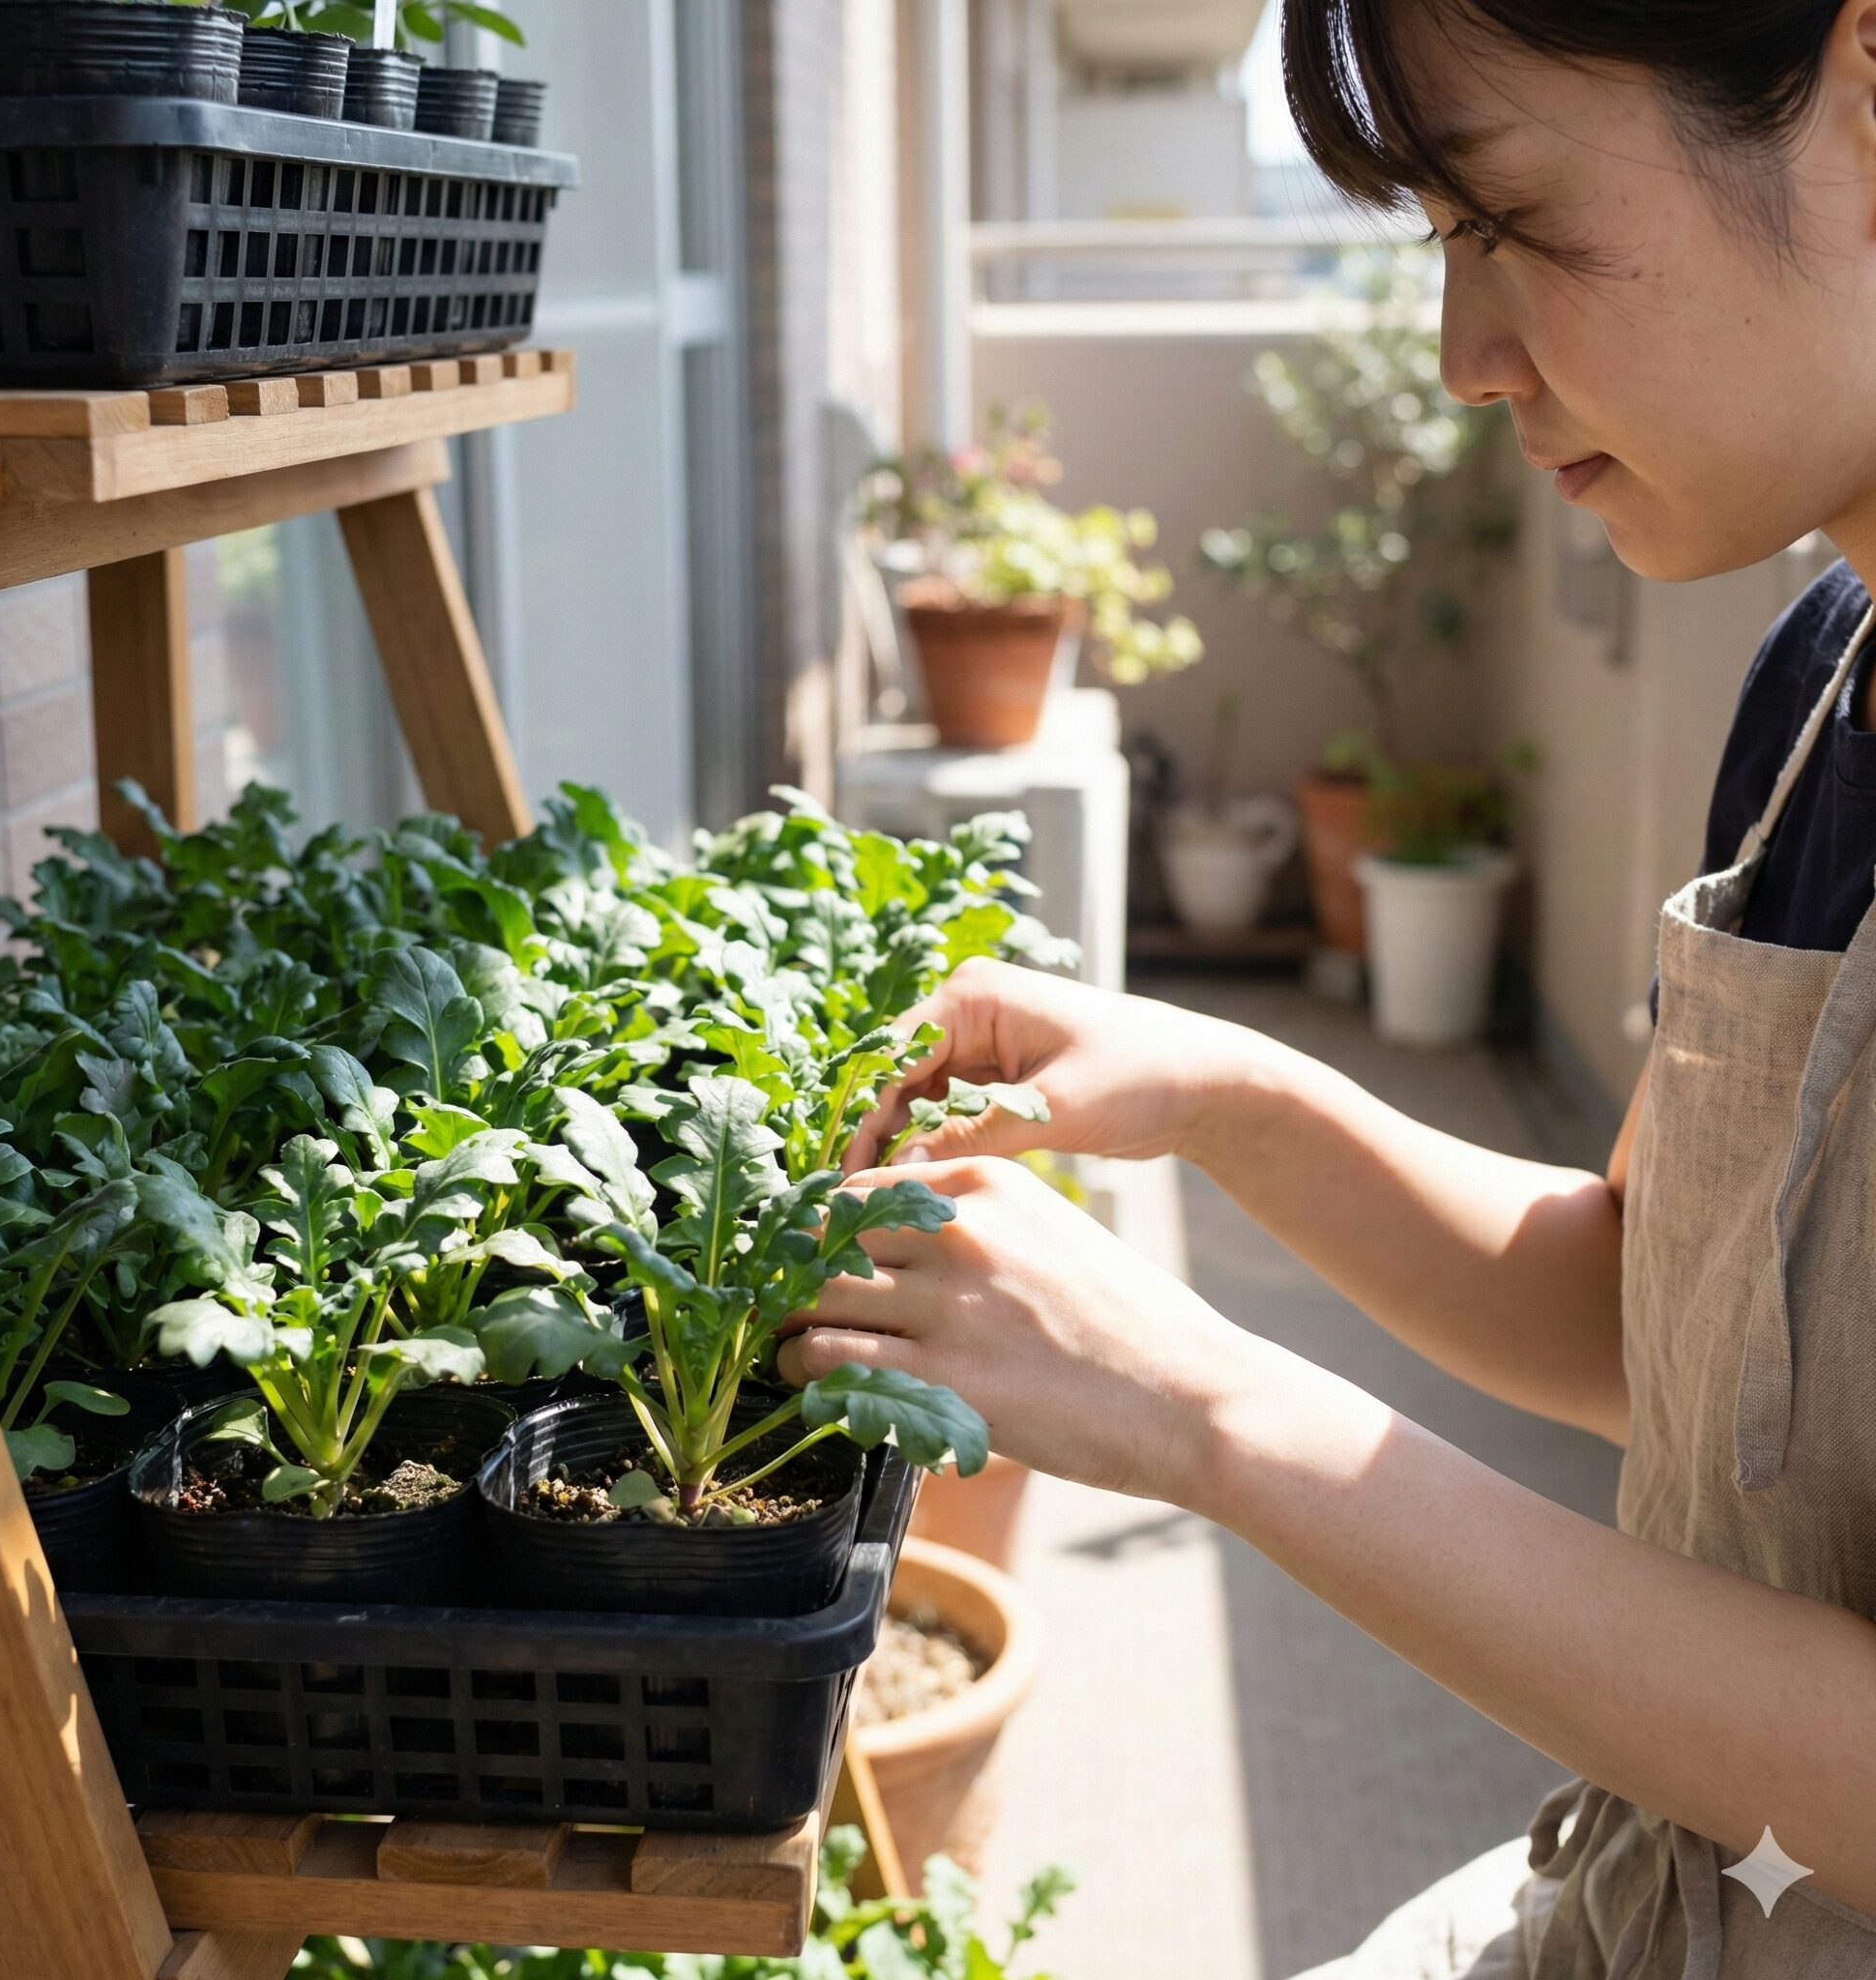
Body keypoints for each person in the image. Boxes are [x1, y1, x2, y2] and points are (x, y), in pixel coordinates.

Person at [777, 6, 1876, 1976]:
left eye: (1512, 215)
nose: (1465, 358)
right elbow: (1662, 1326)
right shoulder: (1821, 673)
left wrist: (1201, 1404)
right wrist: (1223, 1092)